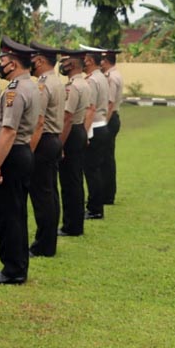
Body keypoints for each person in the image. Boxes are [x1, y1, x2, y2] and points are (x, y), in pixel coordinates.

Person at [0, 36, 40, 285]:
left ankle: (13, 269)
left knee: (9, 214)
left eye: (4, 60)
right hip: (20, 153)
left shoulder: (16, 90)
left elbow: (8, 130)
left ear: (13, 64)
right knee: (16, 212)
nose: (1, 65)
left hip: (10, 155)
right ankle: (15, 265)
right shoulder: (32, 86)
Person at [27, 42, 65, 257]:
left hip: (43, 141)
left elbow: (38, 123)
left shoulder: (42, 85)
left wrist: (29, 151)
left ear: (40, 60)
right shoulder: (57, 81)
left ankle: (43, 245)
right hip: (53, 140)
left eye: (33, 58)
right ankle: (48, 242)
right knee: (50, 193)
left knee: (42, 196)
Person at [56, 50, 91, 237]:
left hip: (70, 132)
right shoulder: (83, 83)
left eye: (64, 62)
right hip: (78, 130)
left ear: (72, 65)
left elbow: (67, 117)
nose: (62, 65)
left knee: (70, 181)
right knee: (75, 179)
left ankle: (71, 225)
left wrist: (59, 145)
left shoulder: (73, 87)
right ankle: (74, 224)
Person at [79, 46, 110, 220]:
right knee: (94, 169)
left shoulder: (91, 80)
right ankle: (95, 206)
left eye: (84, 59)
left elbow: (90, 109)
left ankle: (94, 208)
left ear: (89, 60)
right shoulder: (102, 77)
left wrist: (84, 133)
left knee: (91, 170)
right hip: (101, 125)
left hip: (94, 128)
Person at [100, 49, 123, 205]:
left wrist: (103, 124)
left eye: (101, 60)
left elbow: (110, 103)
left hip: (109, 118)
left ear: (106, 61)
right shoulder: (116, 74)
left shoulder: (111, 78)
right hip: (113, 118)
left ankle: (107, 195)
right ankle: (108, 193)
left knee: (105, 159)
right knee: (107, 158)